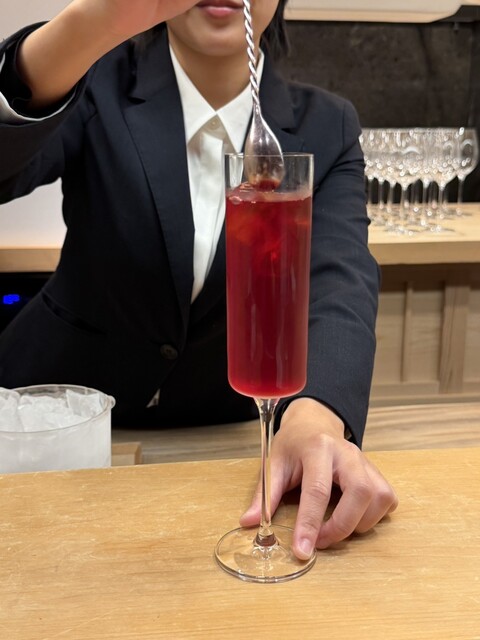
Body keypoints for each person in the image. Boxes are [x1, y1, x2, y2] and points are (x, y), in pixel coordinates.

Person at [0, 0, 398, 559]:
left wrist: (316, 415)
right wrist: (91, 26)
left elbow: (341, 280)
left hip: (219, 443)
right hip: (54, 428)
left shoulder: (326, 124)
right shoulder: (94, 82)